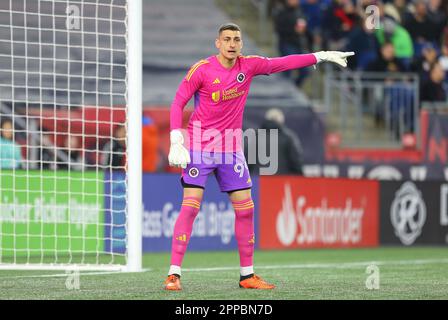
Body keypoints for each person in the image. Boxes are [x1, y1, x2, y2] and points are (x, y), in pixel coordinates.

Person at [165, 22, 354, 291]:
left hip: (231, 149)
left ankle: (247, 276)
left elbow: (283, 63)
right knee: (191, 206)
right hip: (200, 146)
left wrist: (319, 56)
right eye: (227, 39)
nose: (232, 44)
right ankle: (174, 273)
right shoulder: (202, 70)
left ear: (241, 44)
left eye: (237, 39)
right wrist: (175, 139)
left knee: (246, 209)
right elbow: (177, 102)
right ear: (217, 43)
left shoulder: (249, 66)